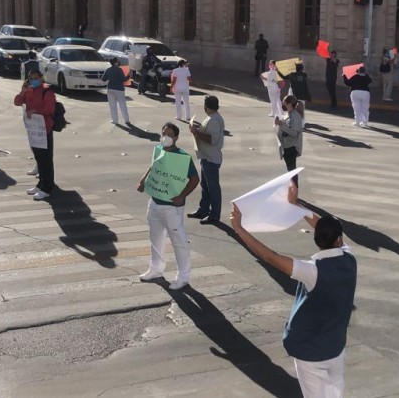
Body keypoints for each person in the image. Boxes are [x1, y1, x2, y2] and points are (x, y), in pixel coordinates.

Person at [230, 185, 356, 398]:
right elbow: (324, 228)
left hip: (310, 350)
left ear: (317, 240)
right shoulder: (349, 258)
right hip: (336, 347)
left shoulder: (312, 271)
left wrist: (240, 229)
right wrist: (298, 207)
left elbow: (270, 257)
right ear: (339, 240)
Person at [138, 123, 199, 290]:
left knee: (178, 241)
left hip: (172, 207)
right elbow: (153, 167)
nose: (165, 137)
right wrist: (143, 181)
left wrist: (181, 196)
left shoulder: (182, 157)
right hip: (155, 203)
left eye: (169, 134)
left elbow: (195, 180)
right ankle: (156, 269)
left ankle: (183, 277)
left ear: (176, 137)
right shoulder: (159, 149)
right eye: (163, 133)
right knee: (155, 238)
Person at [14, 68, 57, 200]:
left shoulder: (47, 91)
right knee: (39, 158)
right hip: (34, 130)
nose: (33, 80)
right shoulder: (30, 90)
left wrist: (35, 110)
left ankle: (47, 188)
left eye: (35, 78)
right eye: (31, 78)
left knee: (45, 160)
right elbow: (17, 102)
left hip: (45, 129)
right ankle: (41, 184)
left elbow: (50, 109)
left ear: (41, 78)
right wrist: (23, 91)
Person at [188, 96, 225, 225]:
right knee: (205, 186)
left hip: (211, 158)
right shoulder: (212, 117)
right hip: (206, 157)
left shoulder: (214, 119)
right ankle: (203, 210)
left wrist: (196, 133)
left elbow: (212, 140)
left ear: (206, 107)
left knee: (213, 188)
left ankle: (214, 215)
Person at [276, 95, 305, 184]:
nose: (283, 103)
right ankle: (292, 189)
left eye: (284, 102)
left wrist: (281, 125)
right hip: (286, 144)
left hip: (291, 146)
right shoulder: (288, 113)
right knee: (290, 169)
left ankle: (294, 189)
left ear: (290, 104)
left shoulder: (295, 116)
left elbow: (294, 133)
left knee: (292, 170)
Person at [103, 58, 131, 125]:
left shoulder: (108, 70)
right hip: (119, 89)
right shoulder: (119, 70)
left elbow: (103, 79)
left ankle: (114, 120)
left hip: (110, 89)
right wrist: (129, 76)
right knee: (122, 105)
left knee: (112, 105)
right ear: (116, 62)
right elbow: (123, 79)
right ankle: (126, 120)